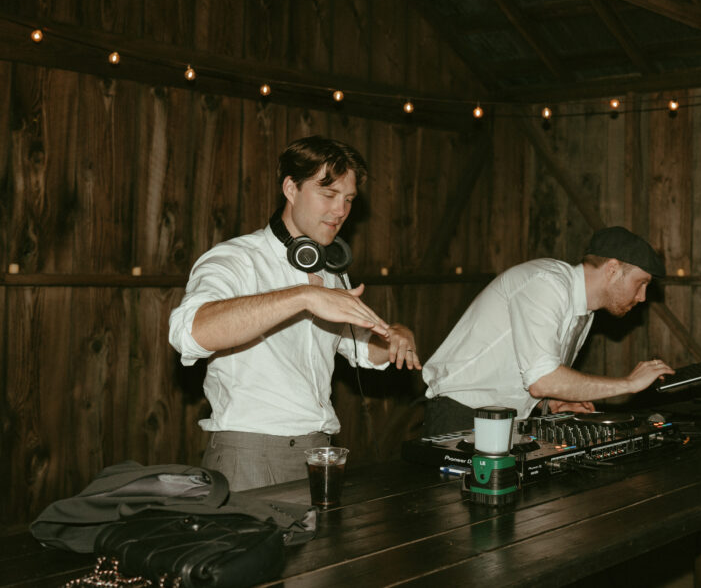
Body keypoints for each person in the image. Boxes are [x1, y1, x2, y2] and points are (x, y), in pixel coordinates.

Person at [169, 136, 420, 491]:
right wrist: (303, 296)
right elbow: (190, 332)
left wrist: (396, 336)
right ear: (290, 188)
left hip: (320, 452)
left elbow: (364, 349)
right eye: (328, 194)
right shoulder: (235, 259)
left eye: (348, 200)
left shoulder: (332, 272)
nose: (340, 211)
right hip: (251, 455)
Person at [421, 226, 675, 434]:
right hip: (459, 415)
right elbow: (542, 380)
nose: (642, 297)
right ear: (612, 269)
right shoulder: (546, 284)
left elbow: (531, 374)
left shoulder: (583, 311)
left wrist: (555, 399)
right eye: (640, 283)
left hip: (500, 422)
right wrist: (629, 384)